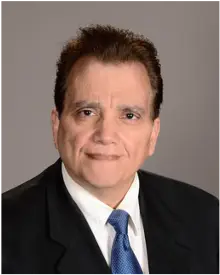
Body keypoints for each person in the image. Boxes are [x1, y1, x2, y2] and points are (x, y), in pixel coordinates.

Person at [0, 24, 219, 275]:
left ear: (153, 134)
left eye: (129, 115)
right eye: (87, 112)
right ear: (57, 125)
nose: (105, 135)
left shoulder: (205, 218)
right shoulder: (7, 233)